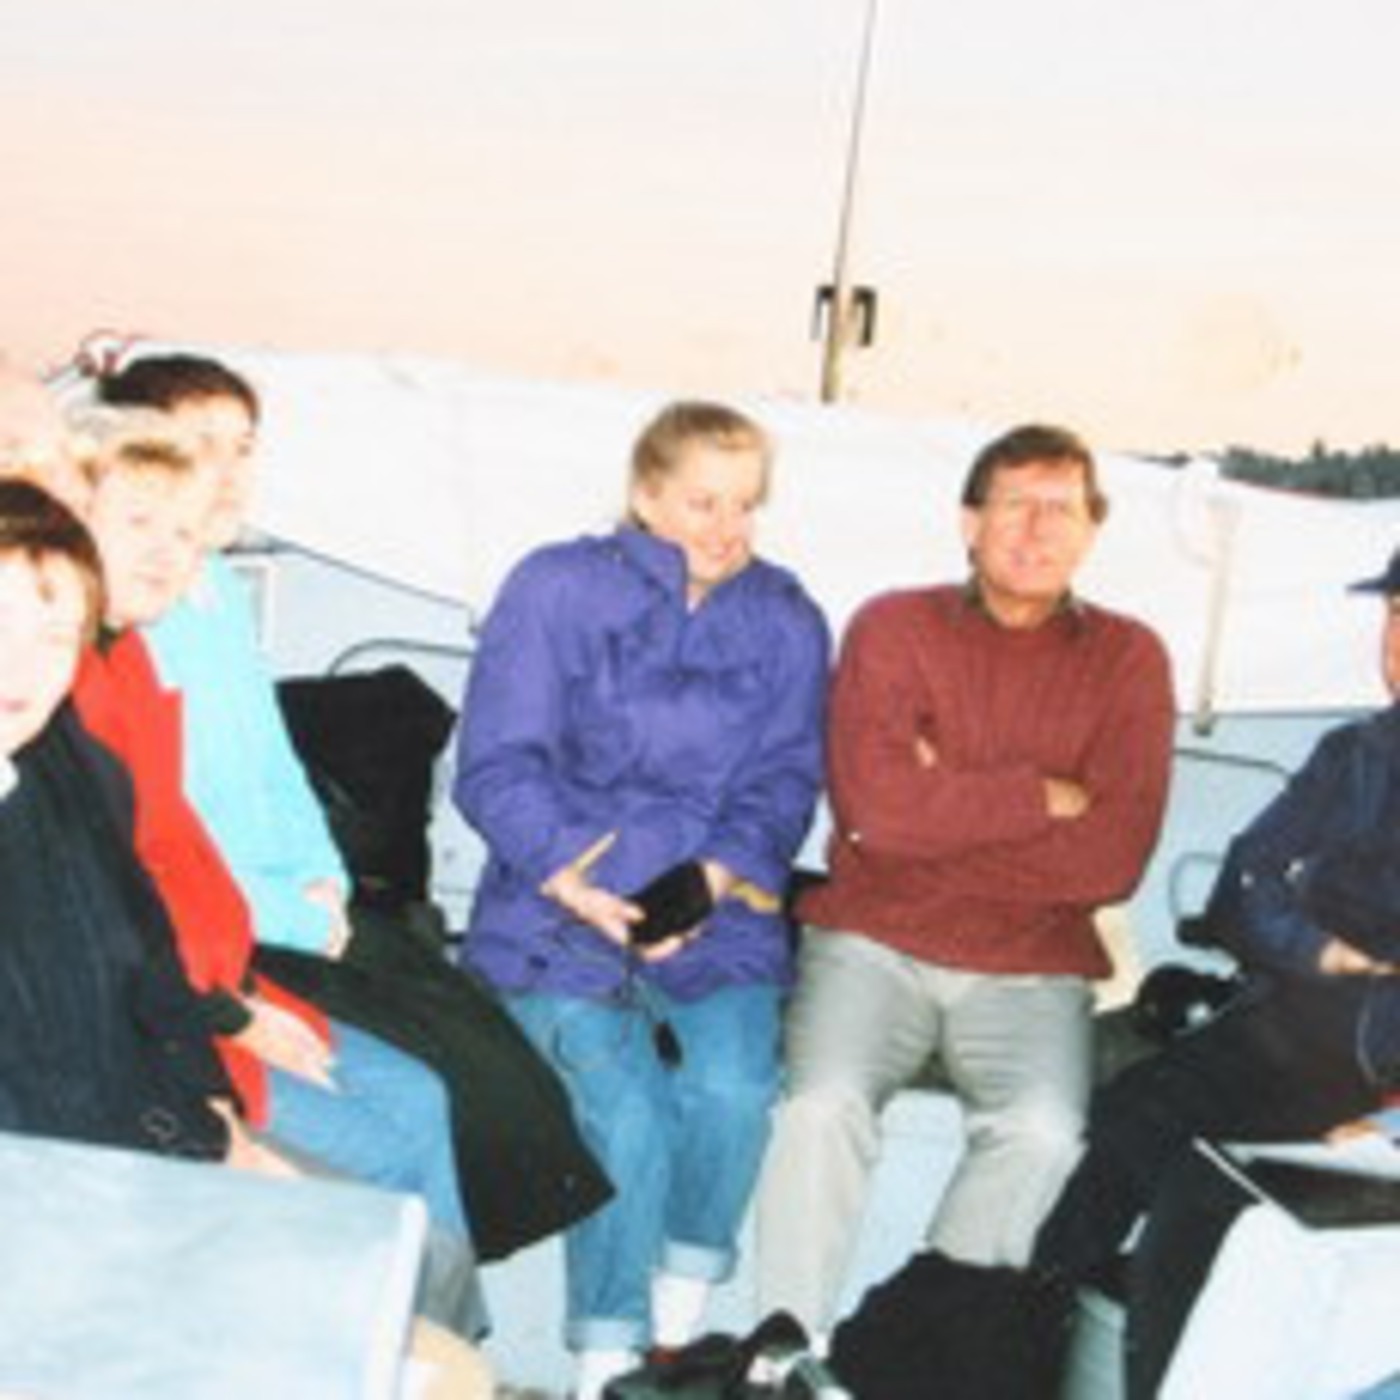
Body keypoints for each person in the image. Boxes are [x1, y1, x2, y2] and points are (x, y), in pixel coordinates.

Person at [90, 349, 614, 1264]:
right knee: (438, 1085)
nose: (226, 473)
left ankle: (436, 1323)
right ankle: (414, 1319)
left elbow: (274, 767)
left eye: (243, 448)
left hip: (287, 906)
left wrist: (324, 879)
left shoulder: (215, 595)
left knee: (485, 1057)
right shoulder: (133, 630)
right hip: (238, 932)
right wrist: (295, 913)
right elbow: (168, 836)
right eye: (200, 446)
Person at [755, 423, 1175, 1339]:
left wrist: (945, 796)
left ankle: (908, 1339)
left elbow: (1113, 862)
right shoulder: (894, 627)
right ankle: (786, 1352)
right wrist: (1042, 796)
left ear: (1092, 530)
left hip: (1033, 965)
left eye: (1061, 509)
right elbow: (875, 818)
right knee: (818, 1110)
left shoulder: (1130, 659)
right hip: (874, 937)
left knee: (1044, 1135)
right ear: (969, 523)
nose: (1037, 528)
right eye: (1015, 504)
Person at [455, 400, 830, 1399]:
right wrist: (573, 877)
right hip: (554, 904)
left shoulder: (786, 619)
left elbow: (784, 780)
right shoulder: (555, 586)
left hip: (715, 901)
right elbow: (496, 763)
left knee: (735, 1089)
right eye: (703, 502)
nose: (727, 529)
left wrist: (707, 882)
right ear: (644, 494)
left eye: (745, 505)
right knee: (625, 1109)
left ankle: (674, 1329)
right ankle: (605, 1361)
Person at [69, 419, 475, 1259]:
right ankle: (394, 1327)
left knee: (422, 1094)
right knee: (383, 1152)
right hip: (169, 1021)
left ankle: (432, 1333)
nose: (166, 553)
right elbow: (116, 909)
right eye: (139, 523)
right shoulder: (62, 686)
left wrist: (254, 981)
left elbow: (186, 848)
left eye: (186, 534)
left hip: (217, 982)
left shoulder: (131, 664)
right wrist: (233, 1020)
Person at [1031, 546, 1400, 1398]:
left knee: (1207, 1204)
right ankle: (1020, 1355)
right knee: (1125, 1122)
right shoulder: (1356, 754)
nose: (1398, 642)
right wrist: (1320, 951)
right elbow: (1243, 885)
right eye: (1395, 616)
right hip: (1296, 1029)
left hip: (1382, 1073)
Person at [0, 477, 233, 1160]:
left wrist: (215, 1119)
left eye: (55, 637)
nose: (22, 666)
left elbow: (153, 966)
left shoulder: (80, 773)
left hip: (133, 1145)